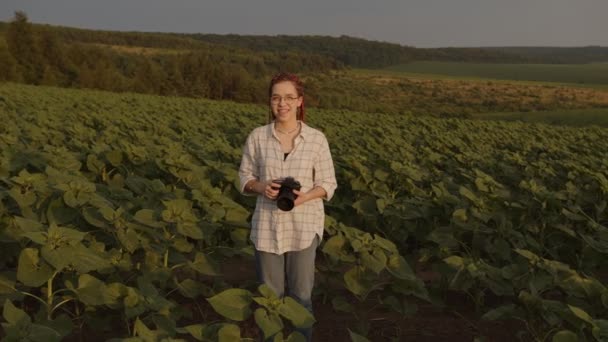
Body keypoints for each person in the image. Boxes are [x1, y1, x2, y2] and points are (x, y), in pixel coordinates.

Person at [238, 72, 337, 340]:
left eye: (289, 97)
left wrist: (304, 197)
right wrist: (262, 186)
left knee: (301, 297)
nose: (282, 103)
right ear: (270, 101)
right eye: (276, 97)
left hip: (304, 227)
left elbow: (328, 183)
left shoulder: (316, 139)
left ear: (300, 101)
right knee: (269, 298)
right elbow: (244, 178)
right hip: (266, 228)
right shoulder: (258, 137)